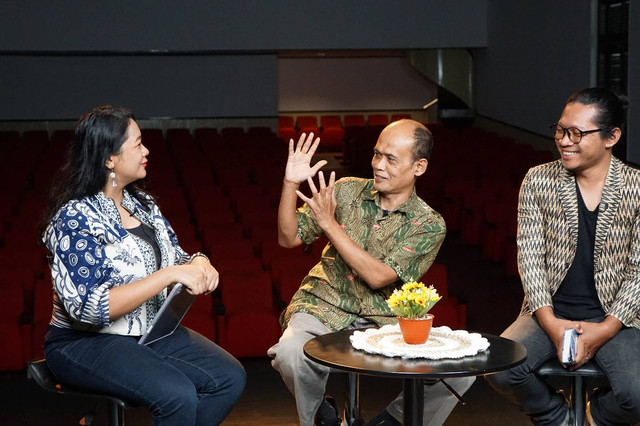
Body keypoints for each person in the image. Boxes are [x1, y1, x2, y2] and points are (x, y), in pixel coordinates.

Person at [40, 105, 246, 426]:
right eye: (137, 144)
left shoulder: (143, 204)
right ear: (110, 159)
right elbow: (90, 309)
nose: (146, 150)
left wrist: (199, 262)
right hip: (84, 342)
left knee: (229, 378)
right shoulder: (74, 218)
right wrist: (169, 275)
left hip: (146, 331)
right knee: (177, 394)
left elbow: (176, 257)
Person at [268, 119, 474, 426]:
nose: (378, 165)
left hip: (384, 319)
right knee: (288, 352)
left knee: (460, 373)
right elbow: (288, 237)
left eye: (391, 159)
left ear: (419, 167)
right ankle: (321, 416)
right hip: (322, 304)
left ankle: (388, 423)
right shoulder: (346, 190)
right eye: (377, 154)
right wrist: (290, 184)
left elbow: (378, 277)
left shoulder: (429, 224)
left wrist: (329, 226)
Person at [486, 88, 640, 426]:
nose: (564, 141)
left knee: (636, 394)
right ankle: (557, 417)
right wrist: (552, 324)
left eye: (577, 133)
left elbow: (637, 273)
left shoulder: (636, 187)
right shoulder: (538, 179)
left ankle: (594, 415)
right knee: (499, 368)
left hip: (619, 317)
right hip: (549, 310)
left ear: (611, 137)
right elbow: (530, 258)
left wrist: (604, 329)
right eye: (560, 130)